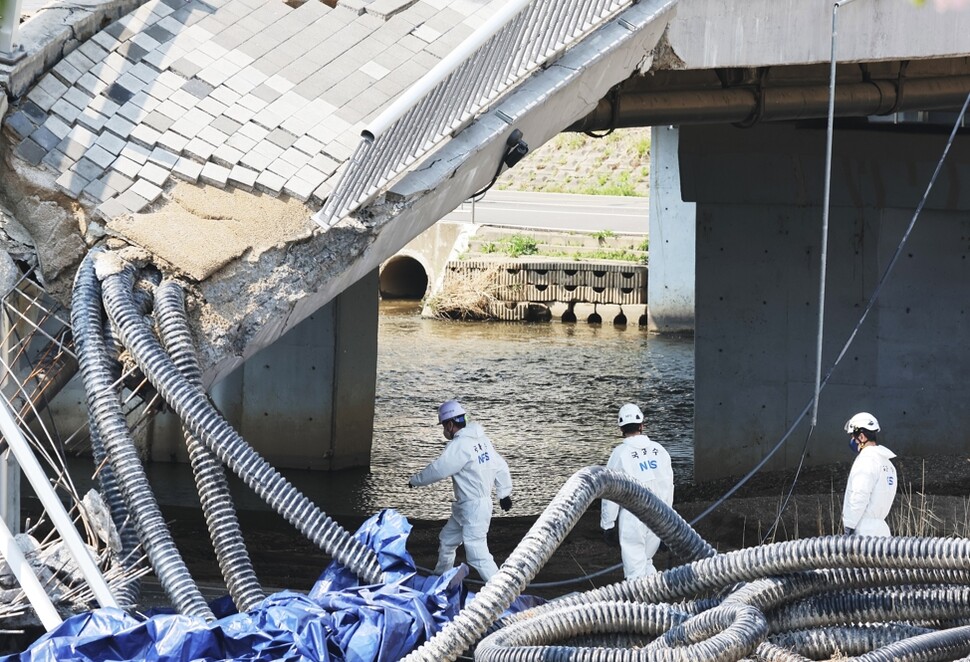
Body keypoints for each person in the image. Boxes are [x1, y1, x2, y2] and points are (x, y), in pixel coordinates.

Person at [408, 399, 513, 581]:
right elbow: (501, 466)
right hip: (465, 506)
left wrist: (415, 481)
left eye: (443, 425)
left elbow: (439, 469)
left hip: (474, 507)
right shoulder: (483, 441)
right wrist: (504, 493)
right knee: (447, 540)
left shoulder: (459, 446)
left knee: (477, 553)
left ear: (450, 424)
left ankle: (501, 591)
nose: (443, 430)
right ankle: (440, 579)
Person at [600, 403, 674, 578]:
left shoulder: (620, 453)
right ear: (642, 425)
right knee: (647, 562)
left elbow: (609, 490)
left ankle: (641, 605)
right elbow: (668, 488)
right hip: (659, 516)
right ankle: (656, 601)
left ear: (621, 428)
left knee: (635, 571)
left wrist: (608, 524)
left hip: (633, 517)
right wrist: (669, 524)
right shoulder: (659, 451)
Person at [842, 412, 897, 536]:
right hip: (882, 532)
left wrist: (849, 527)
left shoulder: (866, 460)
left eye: (853, 437)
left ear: (861, 437)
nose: (852, 441)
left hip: (863, 532)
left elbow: (859, 495)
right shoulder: (888, 464)